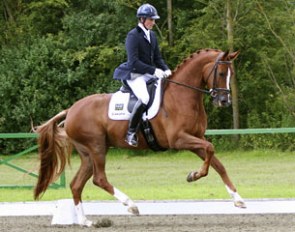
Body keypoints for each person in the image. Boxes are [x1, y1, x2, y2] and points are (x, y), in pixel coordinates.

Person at [113, 3, 172, 147]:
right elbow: (133, 62)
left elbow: (157, 58)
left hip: (146, 73)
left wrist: (166, 70)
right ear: (142, 19)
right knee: (145, 97)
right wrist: (153, 71)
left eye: (154, 19)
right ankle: (131, 133)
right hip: (134, 74)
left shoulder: (152, 35)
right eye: (151, 20)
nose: (153, 22)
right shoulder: (133, 35)